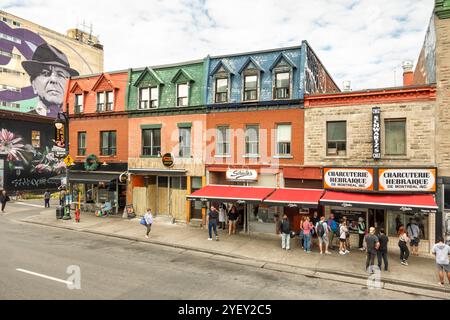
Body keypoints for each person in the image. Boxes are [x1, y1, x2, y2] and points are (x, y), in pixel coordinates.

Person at [21, 43, 79, 118]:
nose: (53, 80)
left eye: (60, 75)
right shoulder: (25, 120)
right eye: (45, 73)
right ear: (34, 84)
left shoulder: (75, 121)